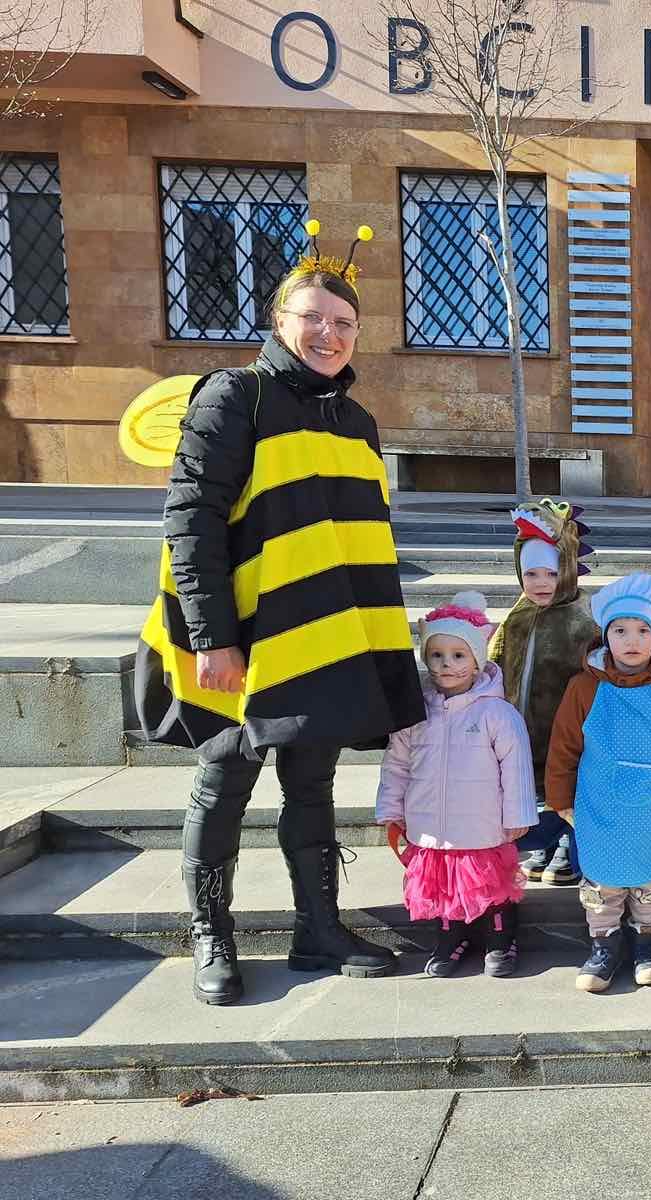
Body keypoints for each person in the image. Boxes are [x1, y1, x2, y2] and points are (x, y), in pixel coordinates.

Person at [134, 220, 424, 1006]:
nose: (329, 334)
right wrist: (212, 638)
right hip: (243, 637)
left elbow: (358, 543)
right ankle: (211, 934)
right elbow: (191, 520)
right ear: (279, 320)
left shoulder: (355, 421)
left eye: (344, 323)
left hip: (324, 636)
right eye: (313, 318)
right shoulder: (236, 396)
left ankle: (317, 929)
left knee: (312, 782)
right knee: (224, 778)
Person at [545, 574, 651, 993]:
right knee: (603, 878)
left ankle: (646, 944)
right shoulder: (584, 687)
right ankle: (604, 946)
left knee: (650, 878)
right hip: (597, 805)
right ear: (605, 636)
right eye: (620, 630)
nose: (631, 641)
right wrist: (560, 798)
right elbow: (563, 746)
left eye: (642, 630)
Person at [376, 592, 536, 978]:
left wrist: (517, 814)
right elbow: (397, 764)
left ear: (477, 660)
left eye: (458, 655)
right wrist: (391, 808)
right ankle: (451, 936)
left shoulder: (496, 713)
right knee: (441, 887)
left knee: (491, 885)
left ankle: (500, 938)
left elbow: (516, 767)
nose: (446, 664)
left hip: (482, 824)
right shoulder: (416, 714)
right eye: (437, 655)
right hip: (431, 824)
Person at [487, 500, 597, 887]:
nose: (540, 583)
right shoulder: (518, 614)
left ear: (566, 569)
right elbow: (497, 658)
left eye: (551, 573)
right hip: (523, 726)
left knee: (566, 784)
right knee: (533, 787)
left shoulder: (583, 618)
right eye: (530, 574)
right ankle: (546, 841)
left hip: (566, 729)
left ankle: (568, 840)